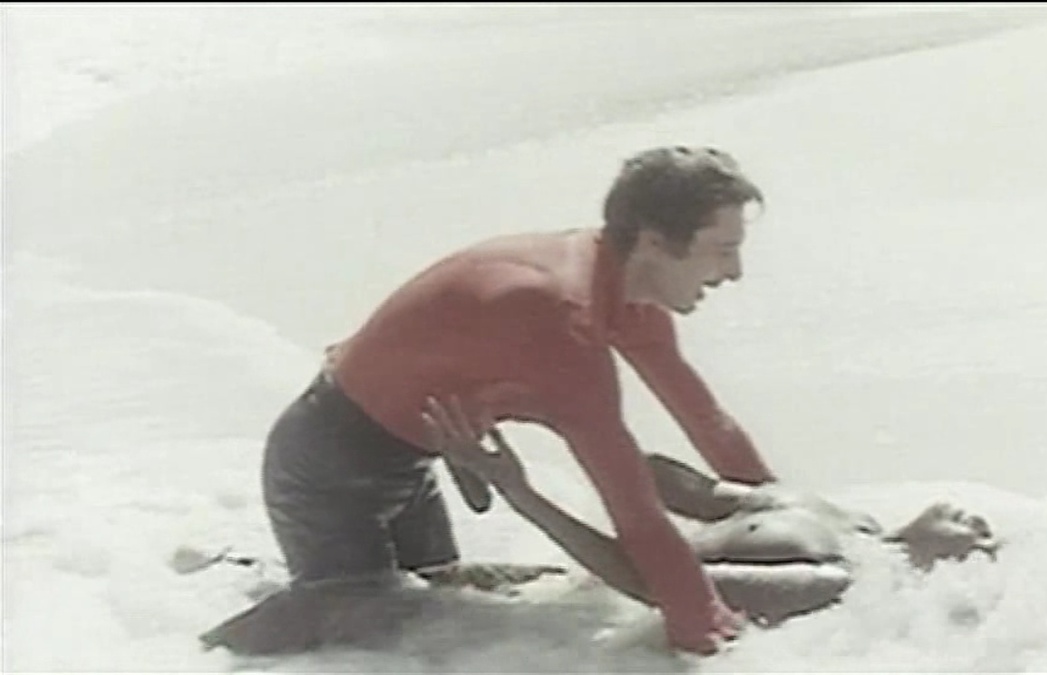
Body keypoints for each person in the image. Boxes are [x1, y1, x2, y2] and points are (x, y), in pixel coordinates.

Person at [235, 146, 780, 656]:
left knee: (441, 608)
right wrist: (704, 630)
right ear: (654, 242)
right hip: (328, 467)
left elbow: (709, 424)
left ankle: (248, 586)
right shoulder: (561, 320)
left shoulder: (628, 296)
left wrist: (785, 516)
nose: (734, 272)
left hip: (410, 460)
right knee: (368, 640)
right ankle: (201, 653)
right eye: (723, 250)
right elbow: (634, 512)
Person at [422, 397, 1002, 629]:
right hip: (549, 585)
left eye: (983, 539)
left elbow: (654, 585)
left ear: (951, 566)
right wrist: (559, 418)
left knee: (396, 597)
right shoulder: (848, 520)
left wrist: (519, 493)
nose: (978, 520)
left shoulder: (832, 579)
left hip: (550, 607)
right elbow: (692, 492)